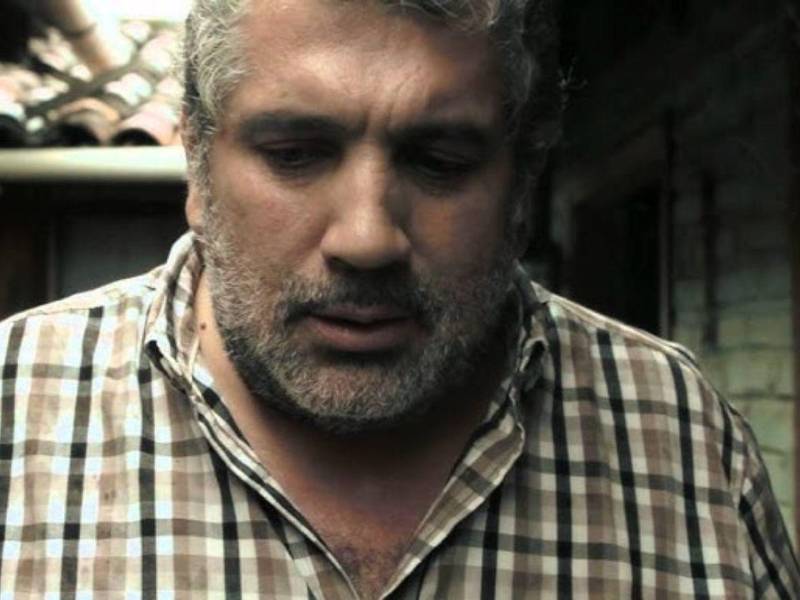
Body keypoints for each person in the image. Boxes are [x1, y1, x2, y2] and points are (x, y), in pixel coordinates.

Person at [0, 0, 798, 597]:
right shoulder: (15, 407)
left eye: (440, 161)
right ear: (199, 169)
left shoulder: (682, 434)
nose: (367, 238)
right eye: (296, 153)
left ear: (522, 187)